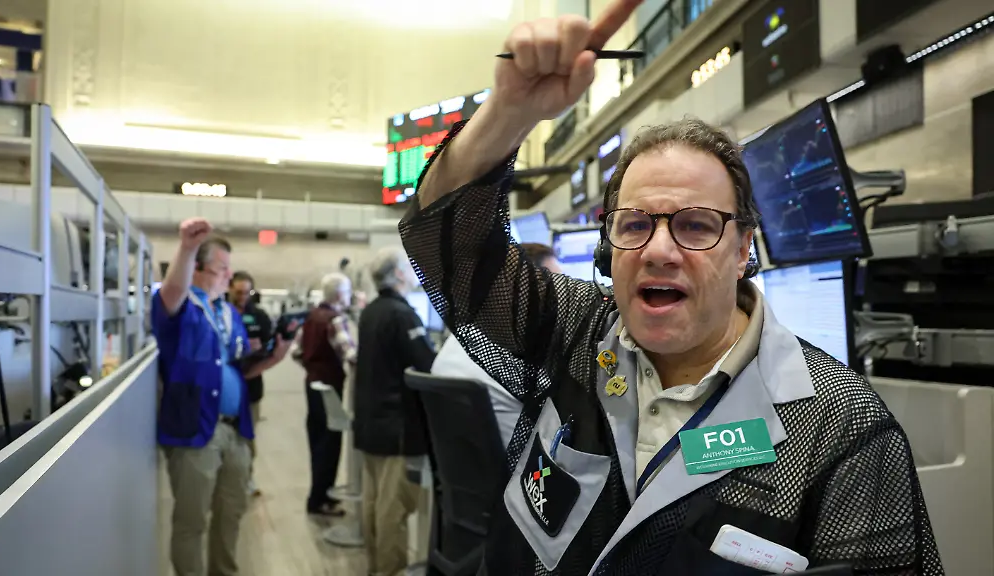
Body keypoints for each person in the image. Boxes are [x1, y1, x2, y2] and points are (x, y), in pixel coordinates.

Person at [397, 6, 942, 576]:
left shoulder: (841, 428)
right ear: (610, 249)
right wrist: (509, 111)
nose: (658, 250)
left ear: (742, 251)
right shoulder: (576, 332)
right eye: (635, 225)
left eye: (697, 225)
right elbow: (445, 243)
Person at [153, 218, 294, 576]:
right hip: (196, 433)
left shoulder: (228, 313)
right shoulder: (183, 308)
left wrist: (274, 356)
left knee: (231, 514)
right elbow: (171, 294)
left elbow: (239, 368)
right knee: (192, 521)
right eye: (222, 268)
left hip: (236, 430)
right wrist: (185, 247)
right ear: (198, 269)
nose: (229, 276)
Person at [353, 247, 437, 576]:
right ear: (399, 274)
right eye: (409, 267)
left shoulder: (372, 310)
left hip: (372, 423)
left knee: (374, 504)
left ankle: (377, 567)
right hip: (396, 427)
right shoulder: (402, 315)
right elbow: (428, 365)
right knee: (393, 509)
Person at [431, 242, 562, 450]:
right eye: (556, 286)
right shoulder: (514, 354)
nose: (563, 297)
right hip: (528, 475)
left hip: (472, 474)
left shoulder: (458, 339)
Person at [301, 272, 357, 516]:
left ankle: (318, 495)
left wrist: (313, 366)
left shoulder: (311, 317)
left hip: (311, 384)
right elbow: (350, 355)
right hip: (330, 386)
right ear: (339, 294)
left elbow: (296, 351)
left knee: (316, 440)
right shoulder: (335, 319)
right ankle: (321, 499)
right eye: (348, 292)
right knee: (330, 442)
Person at [228, 270, 273, 497]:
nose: (243, 296)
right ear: (229, 289)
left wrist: (261, 350)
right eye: (238, 292)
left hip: (251, 388)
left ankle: (246, 478)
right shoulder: (221, 313)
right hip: (225, 388)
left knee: (247, 436)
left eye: (247, 292)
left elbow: (271, 346)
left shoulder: (260, 317)